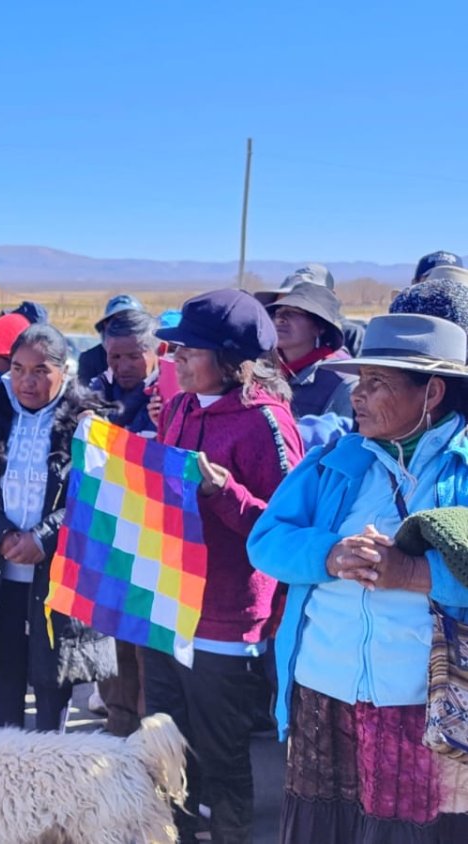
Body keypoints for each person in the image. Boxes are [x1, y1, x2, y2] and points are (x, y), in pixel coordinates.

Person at [250, 313, 468, 841]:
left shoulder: (460, 470)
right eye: (359, 382)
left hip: (418, 706)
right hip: (324, 695)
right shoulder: (338, 463)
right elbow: (266, 540)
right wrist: (329, 555)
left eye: (377, 384)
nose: (358, 397)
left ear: (432, 391)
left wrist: (414, 572)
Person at [149, 289, 302, 843]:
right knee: (168, 743)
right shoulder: (184, 407)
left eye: (190, 350)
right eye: (176, 349)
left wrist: (225, 491)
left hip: (225, 622)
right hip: (168, 605)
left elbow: (285, 528)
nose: (178, 360)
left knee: (221, 757)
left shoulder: (267, 424)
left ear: (232, 360)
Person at [0, 324, 116, 732]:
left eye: (40, 370)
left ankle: (50, 774)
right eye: (19, 369)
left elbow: (97, 494)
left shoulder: (87, 424)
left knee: (51, 675)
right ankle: (10, 770)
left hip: (57, 573)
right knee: (0, 669)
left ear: (64, 372)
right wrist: (1, 536)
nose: (27, 381)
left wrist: (43, 538)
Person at [85, 308, 164, 736]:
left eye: (135, 356)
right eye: (115, 357)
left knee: (149, 651)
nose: (124, 367)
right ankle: (119, 729)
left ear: (156, 352)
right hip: (108, 538)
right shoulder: (93, 395)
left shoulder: (169, 399)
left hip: (157, 544)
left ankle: (152, 741)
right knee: (112, 643)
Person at [265, 282, 357, 419]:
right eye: (277, 313)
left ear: (320, 327)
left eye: (292, 313)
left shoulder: (343, 384)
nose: (279, 319)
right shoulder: (264, 373)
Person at [256, 264, 366, 357]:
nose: (280, 319)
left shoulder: (352, 334)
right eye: (279, 307)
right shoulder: (267, 359)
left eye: (296, 307)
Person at [77, 294, 145, 387]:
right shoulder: (90, 359)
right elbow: (84, 396)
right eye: (117, 322)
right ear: (105, 325)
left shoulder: (154, 354)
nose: (124, 368)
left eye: (134, 357)